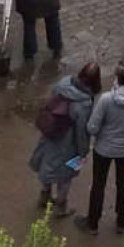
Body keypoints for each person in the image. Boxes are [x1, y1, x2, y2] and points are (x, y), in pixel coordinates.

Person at [74, 61, 124, 235]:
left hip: (103, 150)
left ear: (117, 78)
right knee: (123, 184)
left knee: (98, 185)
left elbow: (92, 127)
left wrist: (102, 134)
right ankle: (121, 222)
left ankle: (92, 224)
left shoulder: (106, 99)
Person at [30, 62, 101, 218]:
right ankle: (61, 207)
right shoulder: (85, 103)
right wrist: (83, 152)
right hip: (68, 145)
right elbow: (82, 131)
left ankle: (45, 195)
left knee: (46, 166)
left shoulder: (64, 83)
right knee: (66, 177)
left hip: (50, 135)